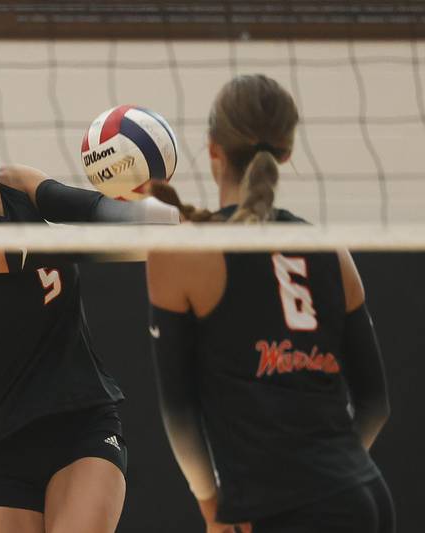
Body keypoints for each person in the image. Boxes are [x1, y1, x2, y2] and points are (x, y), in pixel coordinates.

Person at [0, 96, 179, 533]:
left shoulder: (18, 183)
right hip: (0, 438)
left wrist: (163, 215)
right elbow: (61, 248)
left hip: (84, 421)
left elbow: (95, 212)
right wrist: (160, 238)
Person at [146, 74, 395, 533]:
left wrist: (211, 505)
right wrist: (335, 473)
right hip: (364, 497)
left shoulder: (182, 251)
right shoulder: (332, 250)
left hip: (284, 510)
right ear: (286, 153)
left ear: (213, 147)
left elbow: (179, 410)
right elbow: (375, 402)